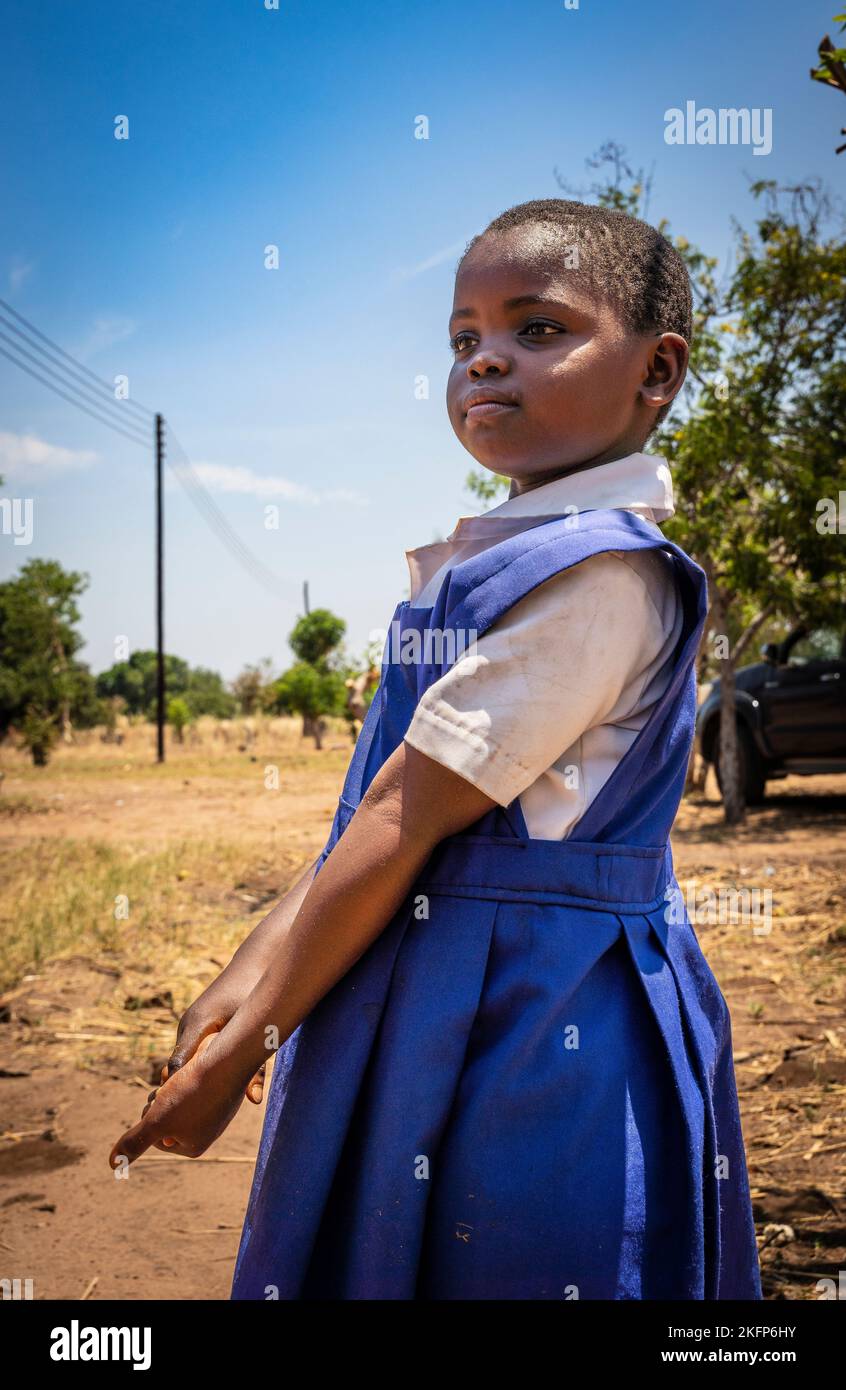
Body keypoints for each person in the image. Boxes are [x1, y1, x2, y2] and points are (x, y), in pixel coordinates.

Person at [109, 198, 762, 1301]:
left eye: (537, 329)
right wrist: (247, 976)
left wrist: (253, 1040)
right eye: (464, 338)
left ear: (657, 372)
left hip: (535, 1018)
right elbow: (372, 808)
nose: (485, 360)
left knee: (510, 1240)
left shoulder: (599, 579)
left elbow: (404, 817)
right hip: (442, 982)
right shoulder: (508, 556)